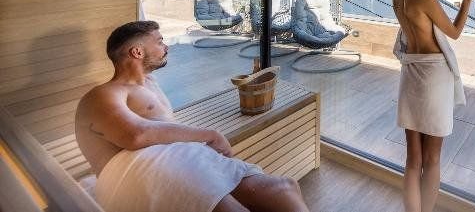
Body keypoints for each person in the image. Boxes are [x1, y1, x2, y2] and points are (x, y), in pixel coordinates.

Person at [74, 21, 309, 212]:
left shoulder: (150, 84)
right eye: (159, 41)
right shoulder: (104, 93)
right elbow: (135, 135)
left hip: (179, 156)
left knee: (284, 187)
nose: (166, 46)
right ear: (137, 51)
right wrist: (210, 135)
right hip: (134, 169)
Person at [390, 0, 475, 212]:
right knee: (432, 159)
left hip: (411, 73)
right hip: (433, 76)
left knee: (413, 161)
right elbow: (454, 32)